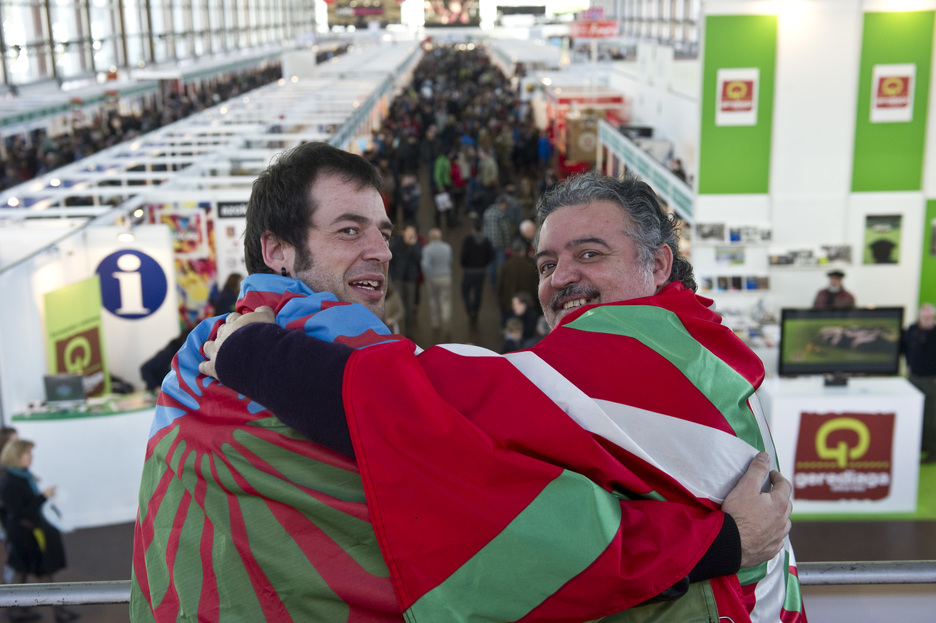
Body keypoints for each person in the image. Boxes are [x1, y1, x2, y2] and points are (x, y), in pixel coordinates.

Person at [195, 168, 802, 621]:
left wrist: (248, 352)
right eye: (546, 264)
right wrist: (723, 543)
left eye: (590, 254)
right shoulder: (708, 344)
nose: (562, 277)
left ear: (659, 263)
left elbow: (415, 401)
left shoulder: (628, 353)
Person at [0, 439, 78, 623]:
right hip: (23, 534)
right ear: (16, 456)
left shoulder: (22, 475)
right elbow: (20, 511)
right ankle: (58, 612)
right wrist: (43, 496)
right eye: (27, 454)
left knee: (23, 571)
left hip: (26, 532)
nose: (31, 457)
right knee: (42, 572)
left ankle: (18, 611)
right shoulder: (11, 481)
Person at [903, 302, 936, 463]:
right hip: (913, 378)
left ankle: (932, 451)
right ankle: (918, 446)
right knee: (914, 414)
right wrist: (909, 363)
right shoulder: (911, 330)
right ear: (919, 316)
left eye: (930, 316)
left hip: (931, 380)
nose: (928, 319)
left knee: (931, 416)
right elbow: (904, 348)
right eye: (925, 316)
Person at [420, 227, 453, 341]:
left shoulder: (427, 250)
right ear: (440, 237)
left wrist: (429, 277)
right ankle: (445, 318)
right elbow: (450, 261)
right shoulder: (447, 247)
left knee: (433, 300)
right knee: (445, 300)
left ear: (430, 238)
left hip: (433, 279)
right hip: (445, 277)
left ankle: (435, 322)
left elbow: (425, 265)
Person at [388, 224, 422, 337]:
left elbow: (419, 259)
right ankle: (398, 333)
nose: (411, 234)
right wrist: (392, 275)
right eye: (409, 232)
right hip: (398, 279)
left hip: (410, 279)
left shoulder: (416, 245)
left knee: (409, 308)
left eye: (413, 232)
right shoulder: (397, 244)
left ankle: (409, 334)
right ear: (404, 232)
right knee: (399, 306)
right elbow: (389, 259)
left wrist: (412, 246)